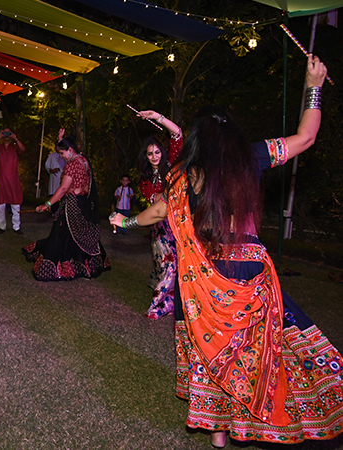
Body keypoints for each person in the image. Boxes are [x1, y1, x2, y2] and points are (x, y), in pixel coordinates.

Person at [110, 55, 343, 448]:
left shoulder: (181, 174)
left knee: (207, 350)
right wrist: (313, 87)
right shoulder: (250, 156)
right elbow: (305, 138)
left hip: (201, 277)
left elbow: (159, 212)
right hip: (250, 273)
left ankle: (219, 433)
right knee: (261, 348)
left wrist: (126, 222)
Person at [23, 129, 110, 281]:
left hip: (73, 205)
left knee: (61, 235)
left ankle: (61, 268)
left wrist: (47, 204)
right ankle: (86, 267)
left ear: (70, 150)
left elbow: (63, 189)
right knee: (80, 234)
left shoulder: (71, 165)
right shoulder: (84, 160)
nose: (61, 156)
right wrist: (61, 139)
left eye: (62, 153)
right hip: (84, 204)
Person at [136, 110, 183, 320]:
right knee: (166, 266)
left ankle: (161, 304)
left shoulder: (172, 164)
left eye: (157, 152)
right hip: (160, 228)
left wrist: (157, 117)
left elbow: (177, 134)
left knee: (177, 266)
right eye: (150, 154)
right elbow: (154, 200)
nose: (154, 156)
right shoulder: (145, 179)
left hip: (177, 224)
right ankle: (165, 303)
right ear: (145, 157)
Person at [0, 127, 25, 235]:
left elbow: (23, 149)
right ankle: (2, 226)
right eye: (4, 133)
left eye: (8, 133)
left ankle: (16, 227)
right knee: (0, 205)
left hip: (13, 180)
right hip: (1, 180)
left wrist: (15, 138)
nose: (6, 135)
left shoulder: (14, 147)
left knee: (15, 204)